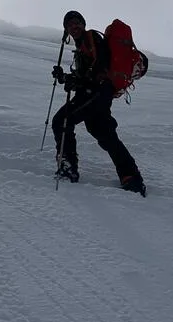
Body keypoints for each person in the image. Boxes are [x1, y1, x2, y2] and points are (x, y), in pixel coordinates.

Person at [51, 10, 146, 195]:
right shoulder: (82, 47)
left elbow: (99, 68)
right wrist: (65, 78)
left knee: (62, 121)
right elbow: (86, 75)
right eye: (70, 25)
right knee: (104, 134)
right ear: (67, 31)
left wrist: (77, 81)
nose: (74, 27)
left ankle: (68, 169)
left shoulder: (92, 38)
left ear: (83, 24)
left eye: (77, 22)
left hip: (96, 92)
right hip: (98, 93)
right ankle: (131, 177)